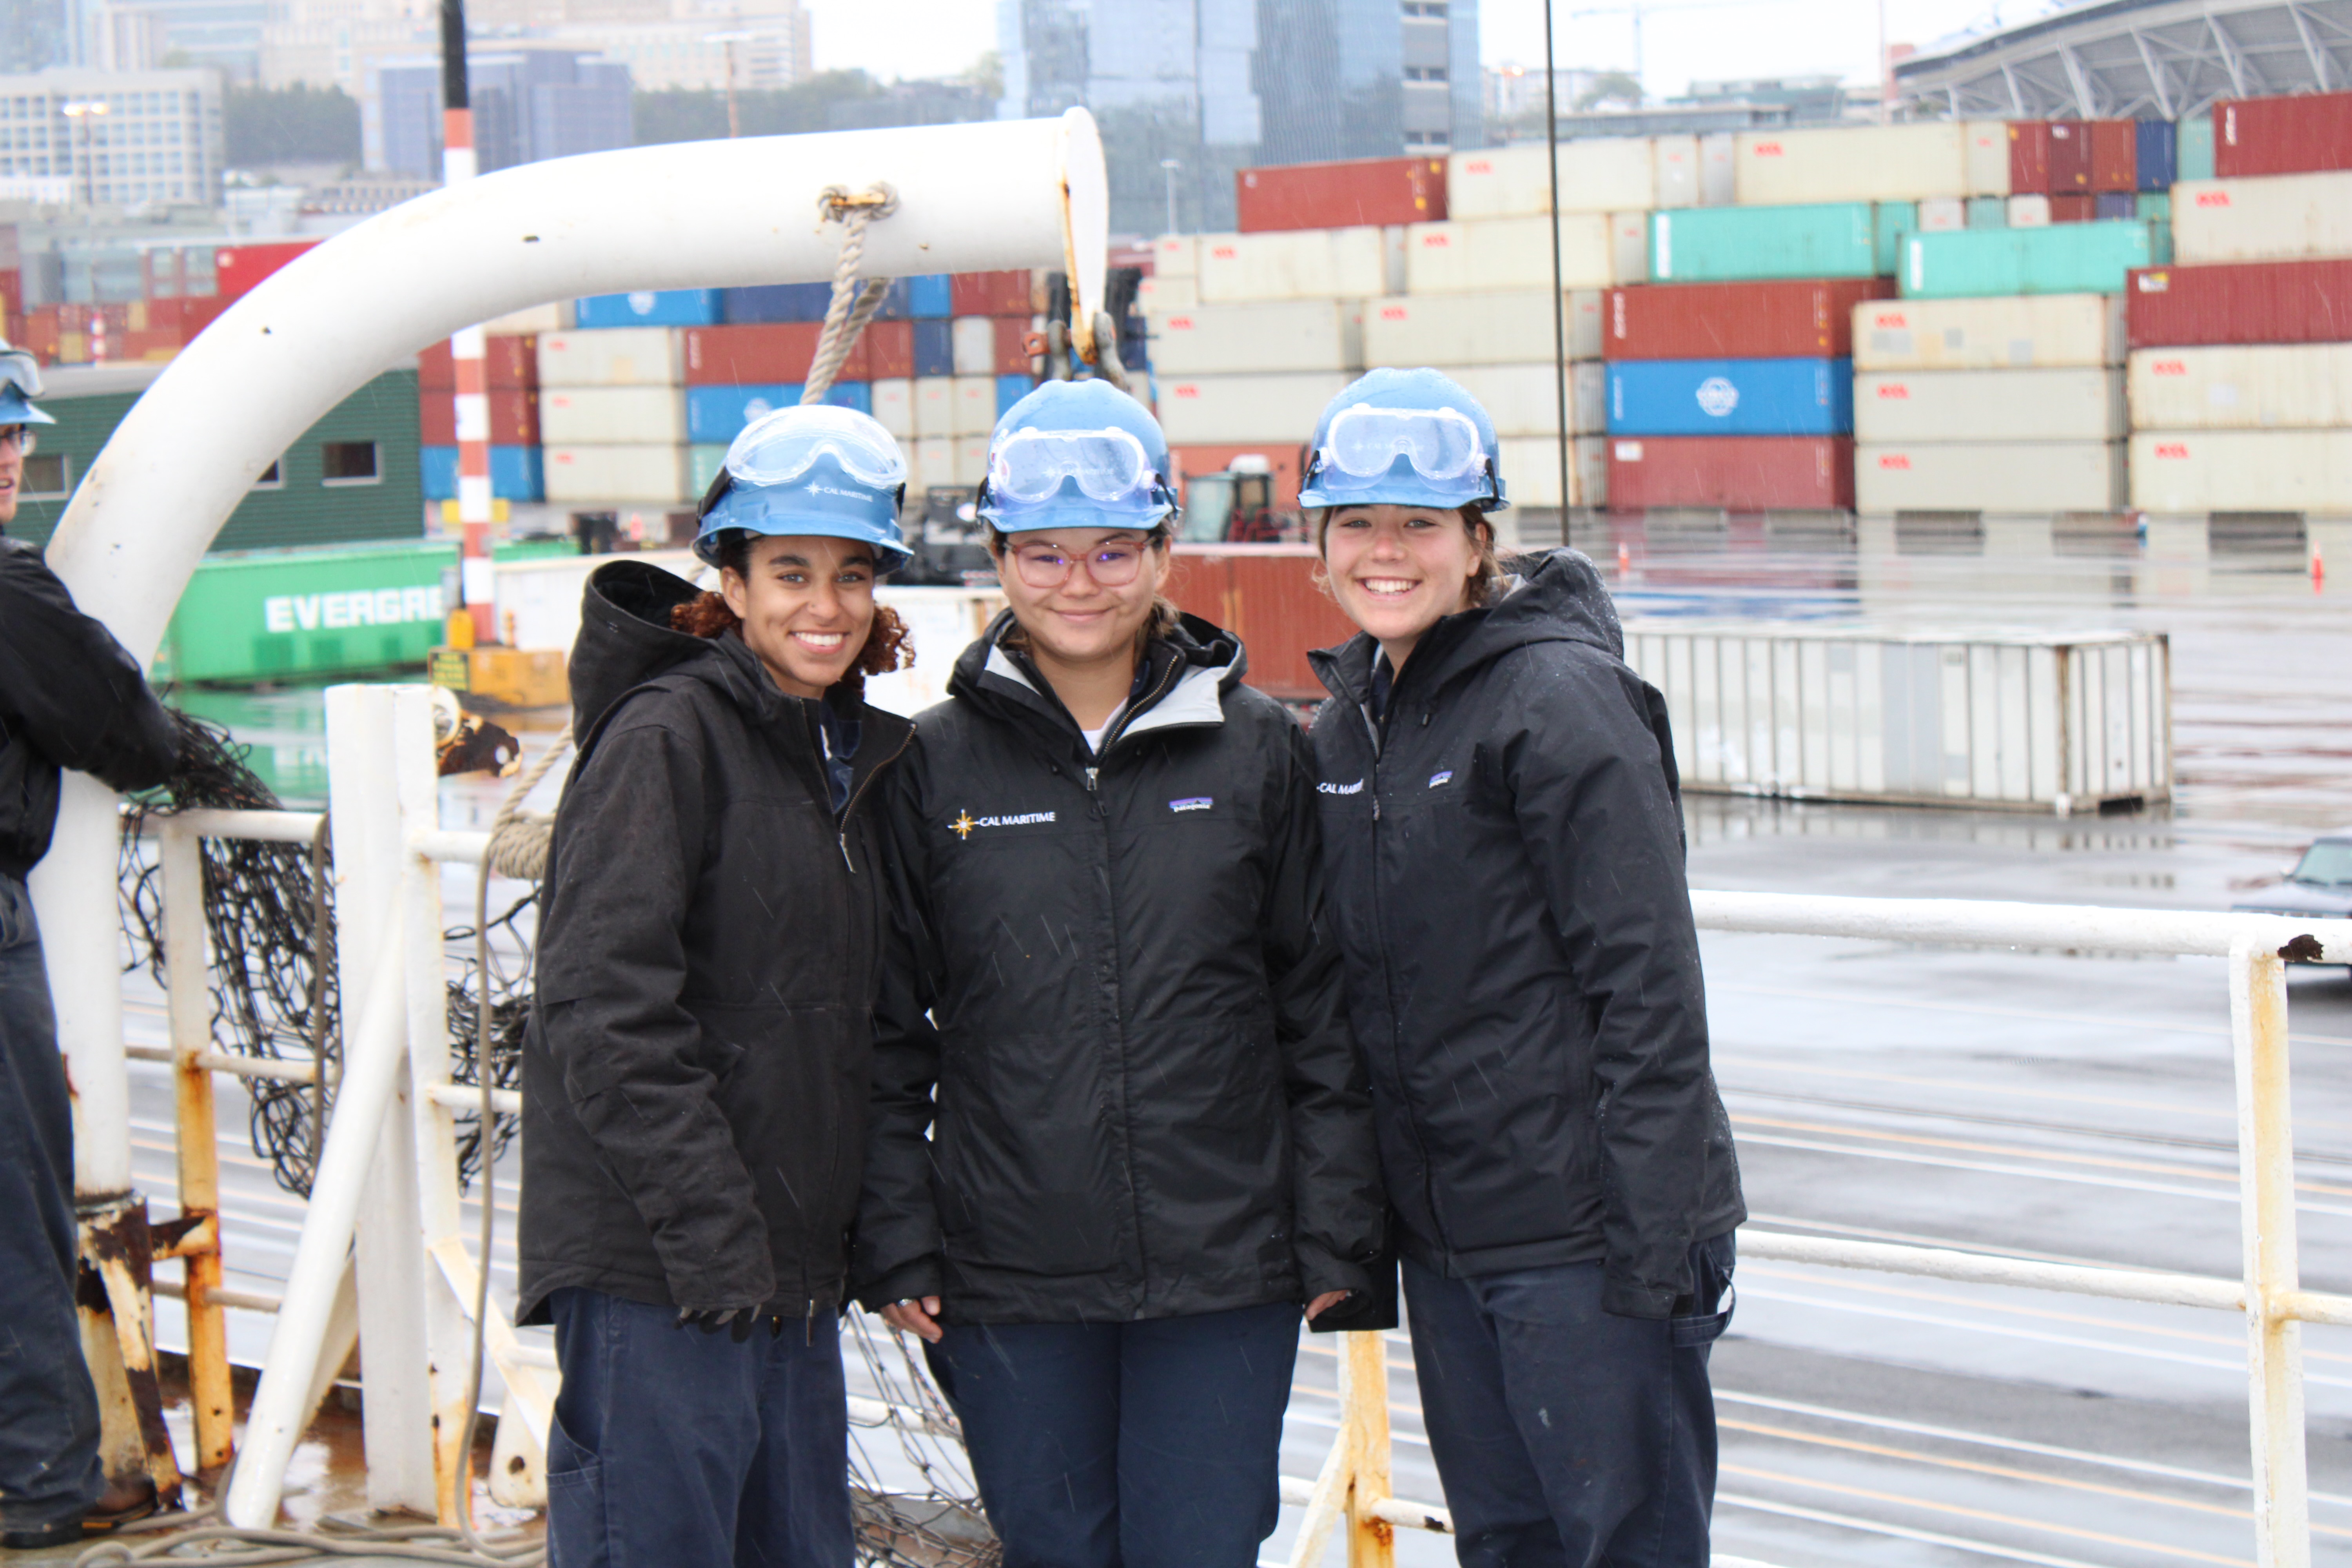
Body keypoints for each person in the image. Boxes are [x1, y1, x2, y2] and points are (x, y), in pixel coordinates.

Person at [854, 378, 1385, 1568]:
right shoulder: (930, 769)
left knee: (1198, 1550)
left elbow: (1319, 1008)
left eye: (1109, 551)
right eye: (1042, 553)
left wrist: (1337, 1231)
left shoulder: (1258, 751)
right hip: (1008, 1268)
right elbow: (887, 1031)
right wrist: (896, 1232)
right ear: (995, 556)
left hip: (1225, 1265)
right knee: (1054, 1549)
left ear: (1160, 553)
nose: (1077, 583)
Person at [1301, 368, 1745, 1568]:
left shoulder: (1557, 700)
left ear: (1476, 540)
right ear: (1320, 541)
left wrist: (1652, 1252)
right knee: (1506, 1545)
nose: (1385, 553)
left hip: (1590, 1239)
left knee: (1623, 1549)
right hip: (1453, 1245)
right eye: (1358, 525)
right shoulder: (1349, 725)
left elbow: (1648, 988)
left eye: (1419, 527)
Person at [517, 404, 919, 1568]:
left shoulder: (846, 753)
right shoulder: (668, 739)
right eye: (789, 571)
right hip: (666, 1265)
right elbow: (600, 1004)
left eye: (851, 575)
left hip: (784, 1269)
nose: (824, 606)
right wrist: (713, 1238)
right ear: (731, 583)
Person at [0, 347, 178, 1549]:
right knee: (13, 1210)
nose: (6, 458)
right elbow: (129, 733)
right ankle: (36, 1480)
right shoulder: (10, 593)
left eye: (13, 437)